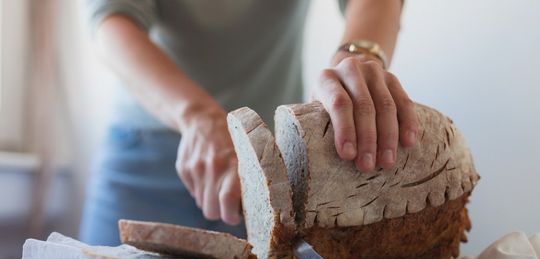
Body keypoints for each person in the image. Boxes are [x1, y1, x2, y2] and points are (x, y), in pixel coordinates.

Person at [79, 0, 417, 245]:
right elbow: (111, 21)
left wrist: (356, 58)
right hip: (144, 159)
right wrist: (198, 115)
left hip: (270, 169)